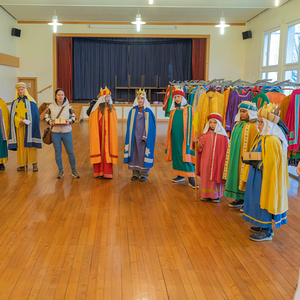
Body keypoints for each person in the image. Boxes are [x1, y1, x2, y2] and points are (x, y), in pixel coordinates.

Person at [242, 104, 289, 241]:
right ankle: (262, 224)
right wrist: (248, 158)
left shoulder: (272, 140)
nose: (259, 125)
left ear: (268, 124)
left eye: (261, 122)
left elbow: (273, 164)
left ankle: (267, 230)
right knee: (256, 200)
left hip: (265, 178)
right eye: (258, 121)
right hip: (257, 175)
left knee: (263, 200)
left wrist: (258, 163)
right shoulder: (262, 136)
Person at [223, 101, 259, 209]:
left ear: (251, 113)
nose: (242, 114)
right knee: (236, 175)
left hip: (246, 159)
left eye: (244, 111)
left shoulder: (254, 127)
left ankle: (246, 201)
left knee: (245, 177)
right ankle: (239, 198)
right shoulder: (238, 125)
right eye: (241, 111)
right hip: (236, 156)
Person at [165, 88, 197, 188]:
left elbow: (195, 123)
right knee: (177, 154)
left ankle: (191, 178)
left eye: (178, 97)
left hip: (186, 138)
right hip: (175, 137)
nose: (177, 99)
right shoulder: (174, 110)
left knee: (186, 156)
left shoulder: (189, 108)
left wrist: (194, 136)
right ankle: (180, 175)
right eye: (175, 97)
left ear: (183, 98)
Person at [44, 88, 79, 178]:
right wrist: (52, 122)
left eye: (62, 95)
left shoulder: (69, 106)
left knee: (70, 152)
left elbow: (74, 117)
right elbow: (46, 117)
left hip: (67, 132)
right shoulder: (50, 107)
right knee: (57, 152)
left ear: (64, 96)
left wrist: (69, 122)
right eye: (59, 95)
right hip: (55, 133)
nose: (61, 96)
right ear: (55, 96)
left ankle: (74, 170)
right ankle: (60, 170)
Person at [193, 113, 228, 201]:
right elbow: (200, 147)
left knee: (216, 176)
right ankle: (205, 195)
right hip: (206, 160)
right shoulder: (205, 135)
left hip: (218, 161)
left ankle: (215, 196)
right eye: (211, 123)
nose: (212, 125)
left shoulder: (223, 137)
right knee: (206, 176)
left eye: (214, 123)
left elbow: (227, 149)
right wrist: (196, 142)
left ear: (219, 124)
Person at [124, 89, 156, 182]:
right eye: (138, 98)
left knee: (142, 155)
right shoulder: (133, 110)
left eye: (142, 98)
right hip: (134, 137)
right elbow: (129, 124)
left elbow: (151, 126)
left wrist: (146, 136)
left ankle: (144, 173)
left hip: (143, 138)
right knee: (134, 154)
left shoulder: (148, 111)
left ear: (145, 100)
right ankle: (135, 173)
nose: (140, 100)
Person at [8, 82, 42, 171]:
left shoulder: (31, 102)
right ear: (17, 91)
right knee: (21, 146)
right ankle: (22, 164)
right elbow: (12, 116)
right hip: (20, 127)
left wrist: (27, 121)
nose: (20, 91)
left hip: (29, 127)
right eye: (18, 89)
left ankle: (34, 164)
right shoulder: (14, 102)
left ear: (25, 90)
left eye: (22, 89)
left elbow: (35, 115)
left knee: (31, 146)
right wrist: (19, 121)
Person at [89, 87, 118, 178]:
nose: (108, 99)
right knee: (99, 151)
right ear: (102, 98)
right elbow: (93, 124)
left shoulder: (112, 110)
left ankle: (107, 173)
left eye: (109, 97)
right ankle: (99, 172)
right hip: (99, 135)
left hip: (108, 136)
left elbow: (114, 124)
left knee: (107, 153)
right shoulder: (96, 110)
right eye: (106, 97)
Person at [0, 98, 10, 170]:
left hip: (1, 129)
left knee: (1, 145)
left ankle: (1, 163)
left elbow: (5, 116)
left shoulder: (2, 103)